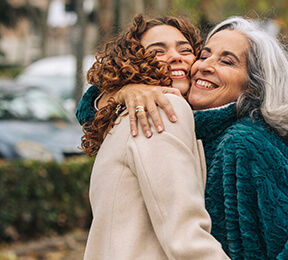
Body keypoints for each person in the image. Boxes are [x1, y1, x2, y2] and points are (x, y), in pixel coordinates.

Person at [78, 16, 288, 259]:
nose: (203, 65)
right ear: (132, 62)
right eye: (204, 55)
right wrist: (123, 91)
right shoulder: (159, 112)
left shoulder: (245, 141)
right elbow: (88, 113)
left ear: (254, 85)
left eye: (227, 61)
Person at [80, 15, 228, 260]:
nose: (176, 56)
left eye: (186, 50)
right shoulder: (161, 108)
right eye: (158, 51)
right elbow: (184, 235)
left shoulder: (125, 116)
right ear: (133, 61)